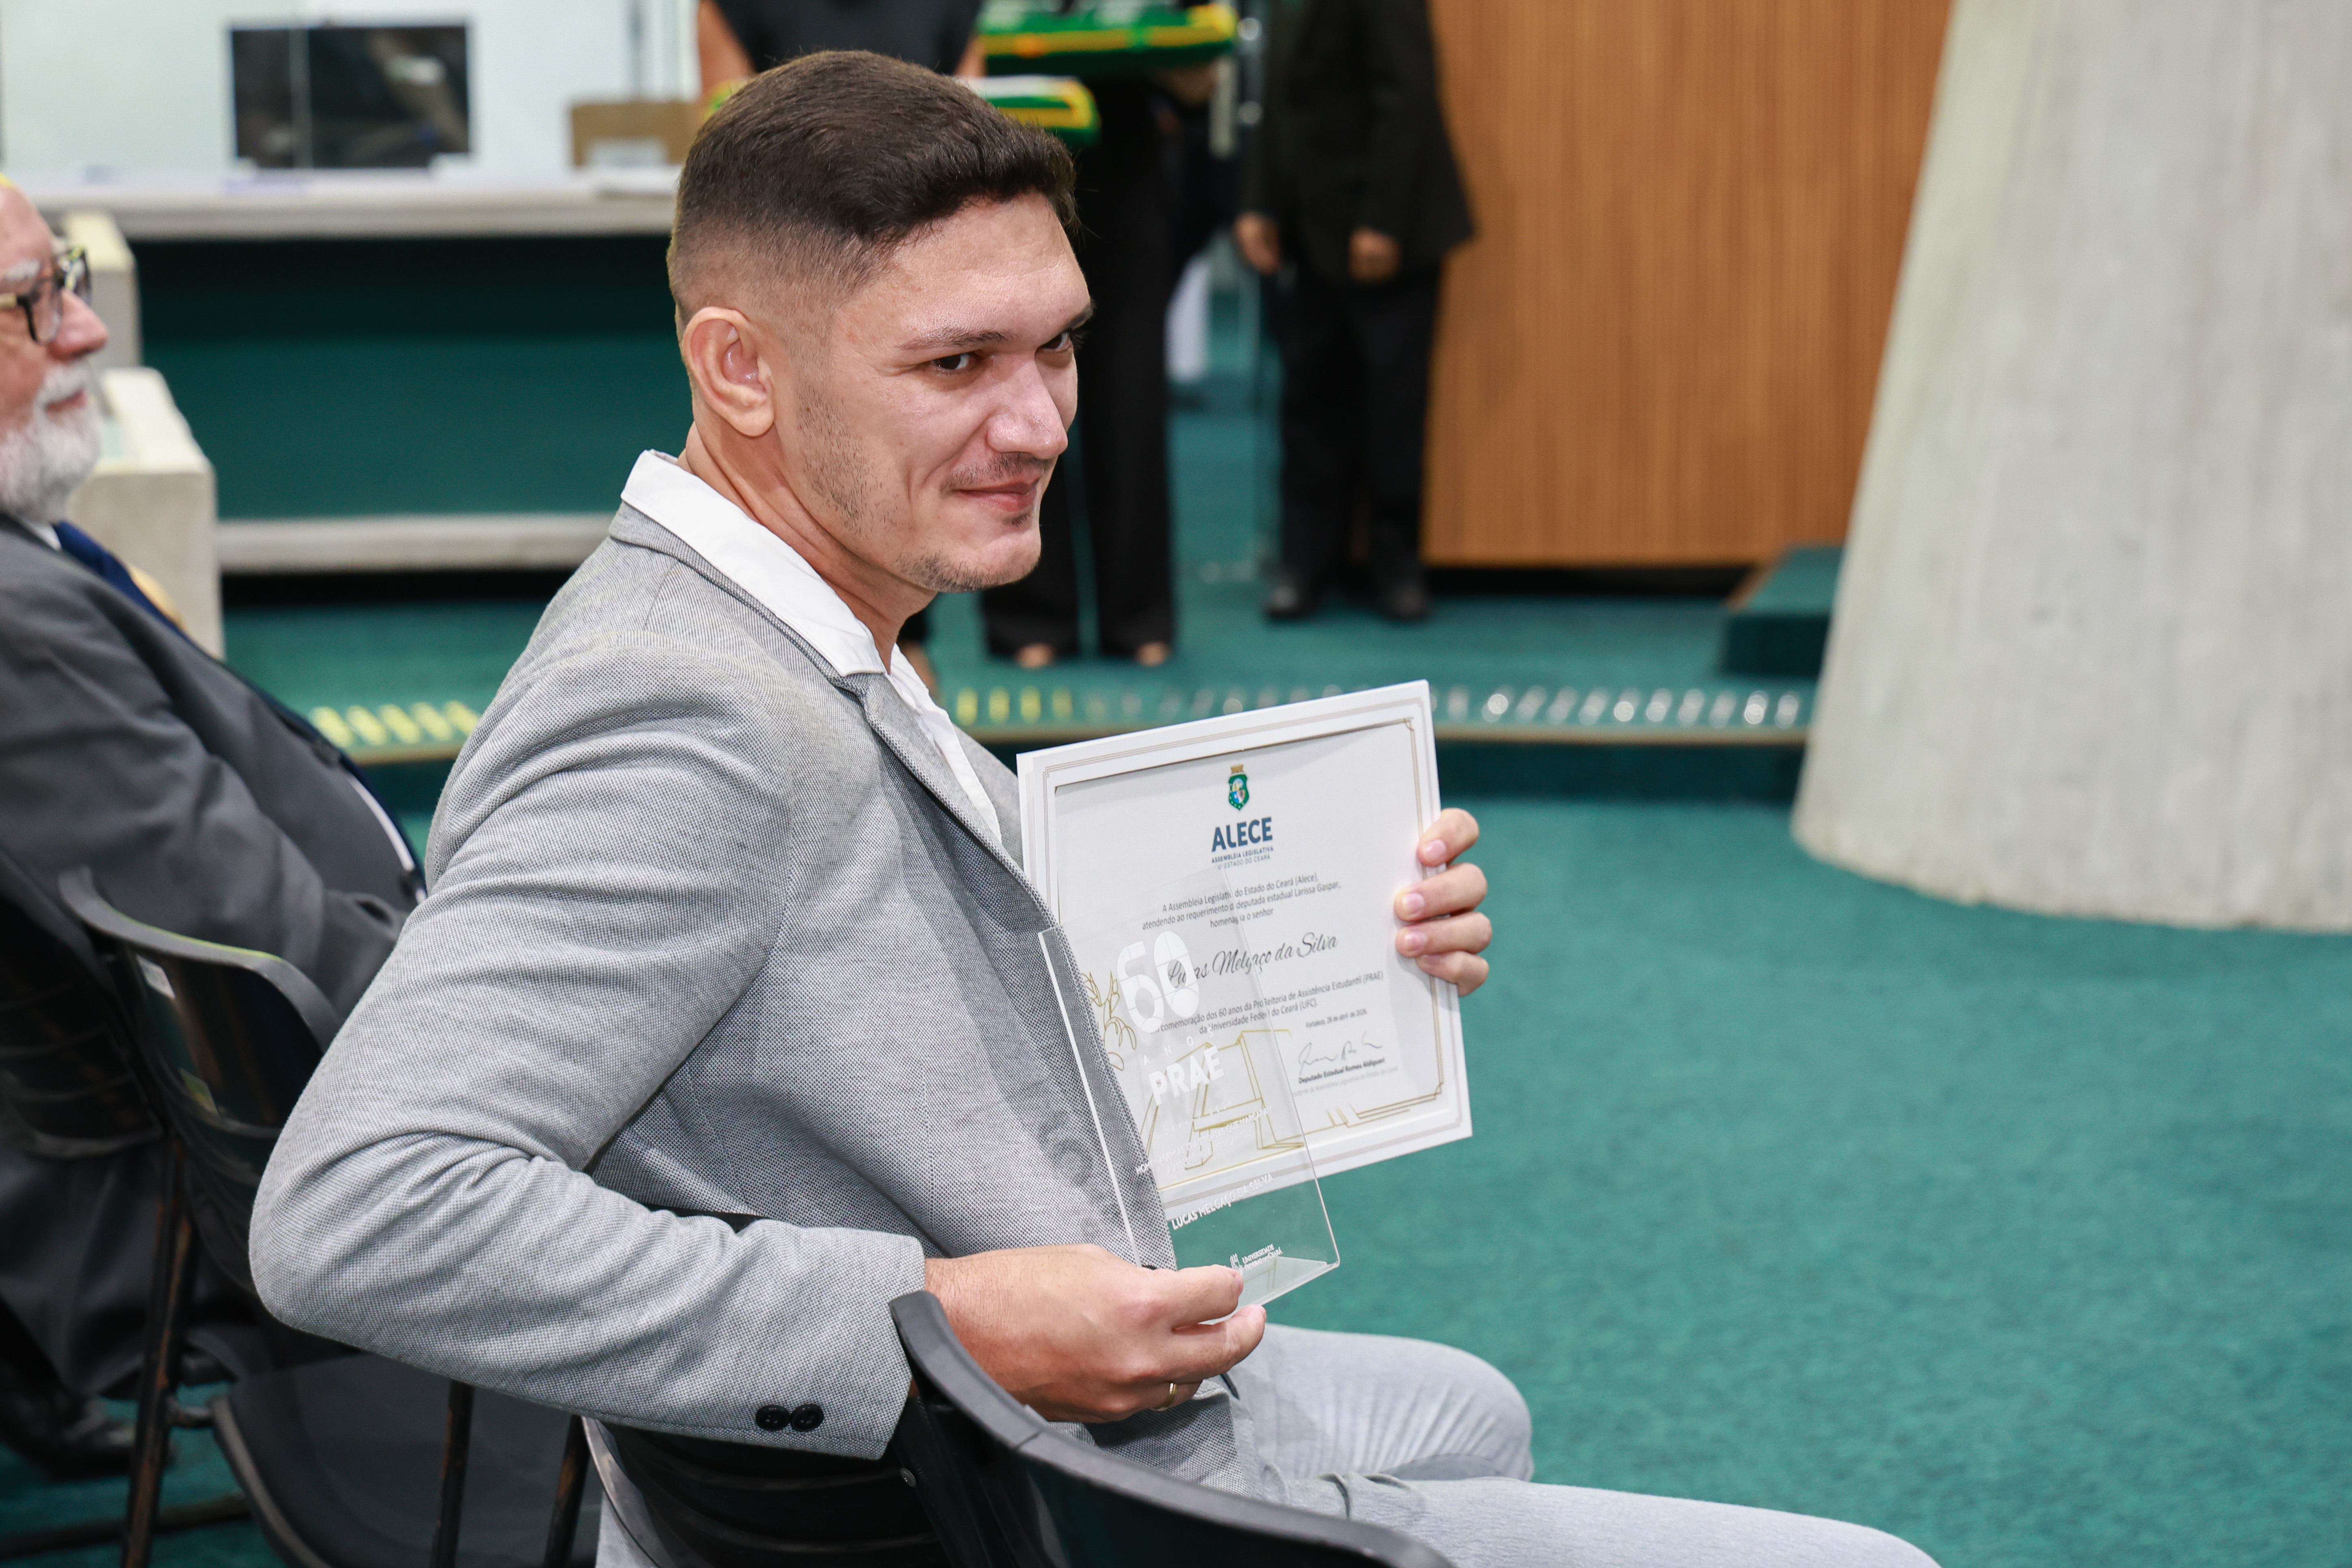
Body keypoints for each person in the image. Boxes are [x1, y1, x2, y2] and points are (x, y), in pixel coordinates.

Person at [248, 55, 1932, 1568]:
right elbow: (360, 1209)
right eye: (957, 362)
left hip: (981, 1444)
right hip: (979, 1496)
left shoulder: (805, 612)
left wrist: (1339, 941)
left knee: (1464, 1408)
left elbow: (917, 948)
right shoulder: (688, 720)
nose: (1043, 421)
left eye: (1056, 344)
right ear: (739, 369)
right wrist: (938, 1319)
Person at [0, 182, 423, 1465]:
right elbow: (263, 963)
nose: (84, 331)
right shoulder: (14, 628)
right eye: (31, 303)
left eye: (66, 282)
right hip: (251, 1196)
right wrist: (534, 1024)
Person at [1238, 0, 1472, 624]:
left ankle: (1397, 569)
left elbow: (1407, 95)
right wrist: (1259, 202)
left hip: (1386, 229)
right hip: (1312, 228)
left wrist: (1382, 221)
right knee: (1308, 405)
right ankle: (1305, 565)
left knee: (1392, 412)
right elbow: (1279, 97)